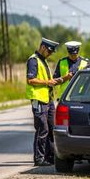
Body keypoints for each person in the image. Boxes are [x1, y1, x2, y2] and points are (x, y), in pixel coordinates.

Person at [26, 37, 59, 167]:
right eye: (49, 51)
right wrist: (47, 82)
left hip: (48, 100)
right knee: (42, 129)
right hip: (39, 100)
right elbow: (31, 80)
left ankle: (50, 157)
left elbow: (49, 80)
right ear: (43, 47)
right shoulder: (33, 60)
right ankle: (39, 158)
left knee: (51, 128)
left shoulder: (43, 60)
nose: (50, 54)